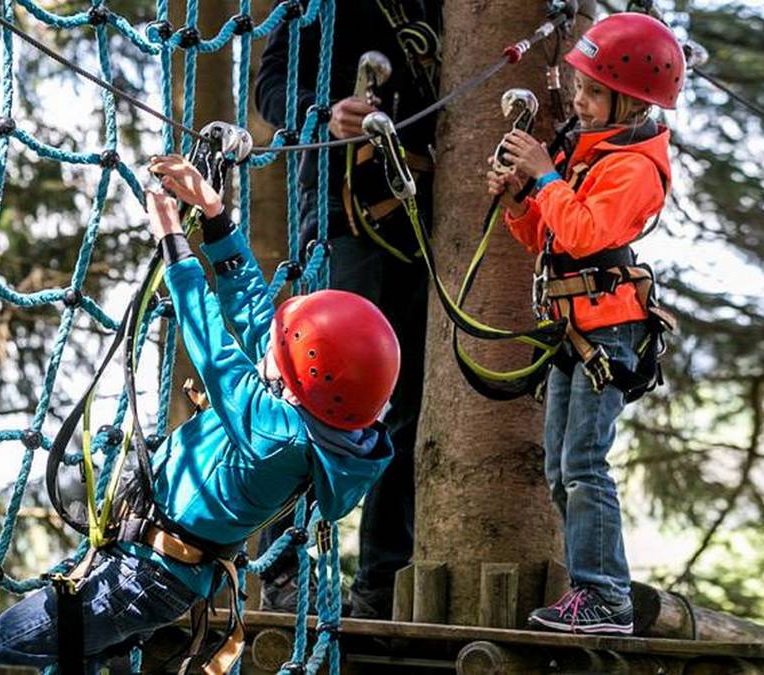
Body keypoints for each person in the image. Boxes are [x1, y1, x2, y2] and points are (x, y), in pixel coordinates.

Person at [0, 155, 399, 670]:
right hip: (145, 567)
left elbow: (213, 347)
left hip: (141, 576)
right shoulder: (318, 419)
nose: (271, 347)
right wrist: (214, 215)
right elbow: (257, 314)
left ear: (305, 379)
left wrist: (175, 246)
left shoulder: (275, 434)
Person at [487, 13, 685, 635]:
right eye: (580, 85)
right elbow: (547, 237)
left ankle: (606, 596)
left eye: (595, 91)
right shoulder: (589, 152)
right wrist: (522, 196)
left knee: (584, 463)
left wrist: (545, 175)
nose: (579, 98)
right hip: (575, 328)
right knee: (560, 466)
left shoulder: (634, 167)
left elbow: (586, 231)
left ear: (629, 102)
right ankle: (589, 593)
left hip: (609, 331)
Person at [253, 0, 442, 620]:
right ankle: (283, 563)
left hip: (424, 217)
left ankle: (382, 582)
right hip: (341, 210)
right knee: (318, 379)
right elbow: (270, 84)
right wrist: (323, 114)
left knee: (407, 400)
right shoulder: (317, 5)